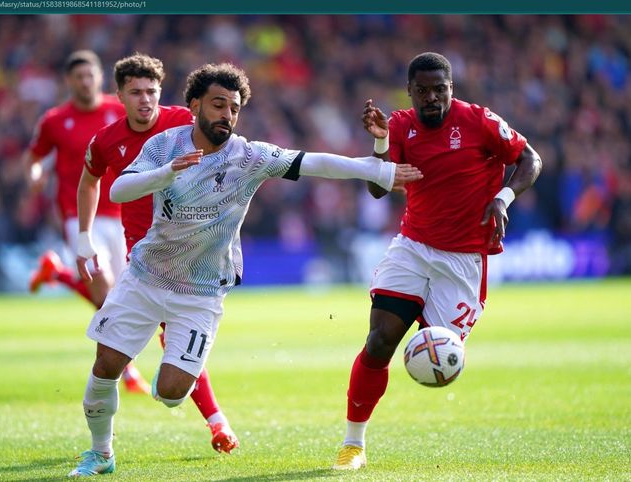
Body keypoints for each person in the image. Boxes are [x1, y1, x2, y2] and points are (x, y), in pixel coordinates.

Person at [67, 62, 423, 477]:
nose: (227, 116)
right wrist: (166, 172)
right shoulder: (165, 146)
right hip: (145, 276)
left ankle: (178, 391)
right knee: (105, 366)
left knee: (170, 394)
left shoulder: (250, 156)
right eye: (219, 105)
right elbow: (116, 189)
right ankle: (101, 453)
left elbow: (315, 163)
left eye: (234, 109)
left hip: (200, 293)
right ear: (196, 104)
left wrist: (376, 168)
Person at [331, 52, 543, 470]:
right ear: (409, 92)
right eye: (423, 91)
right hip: (414, 247)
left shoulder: (479, 121)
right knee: (379, 343)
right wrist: (379, 142)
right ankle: (353, 444)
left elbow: (530, 159)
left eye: (440, 90)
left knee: (441, 355)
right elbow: (377, 190)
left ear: (451, 90)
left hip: (464, 260)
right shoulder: (398, 126)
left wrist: (504, 197)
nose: (432, 98)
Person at [75, 53, 238, 454]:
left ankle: (213, 419)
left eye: (151, 91)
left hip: (190, 253)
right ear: (119, 96)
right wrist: (83, 235)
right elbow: (89, 182)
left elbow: (229, 158)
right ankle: (211, 422)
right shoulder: (107, 140)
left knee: (174, 346)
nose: (145, 100)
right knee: (115, 356)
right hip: (142, 252)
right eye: (135, 92)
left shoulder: (186, 121)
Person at [23, 50, 150, 394]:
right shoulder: (54, 120)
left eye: (90, 75)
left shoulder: (118, 109)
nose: (85, 82)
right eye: (78, 77)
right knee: (105, 288)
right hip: (81, 215)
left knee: (120, 294)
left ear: (99, 77)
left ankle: (58, 273)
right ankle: (126, 369)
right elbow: (35, 157)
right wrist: (35, 175)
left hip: (124, 213)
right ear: (69, 81)